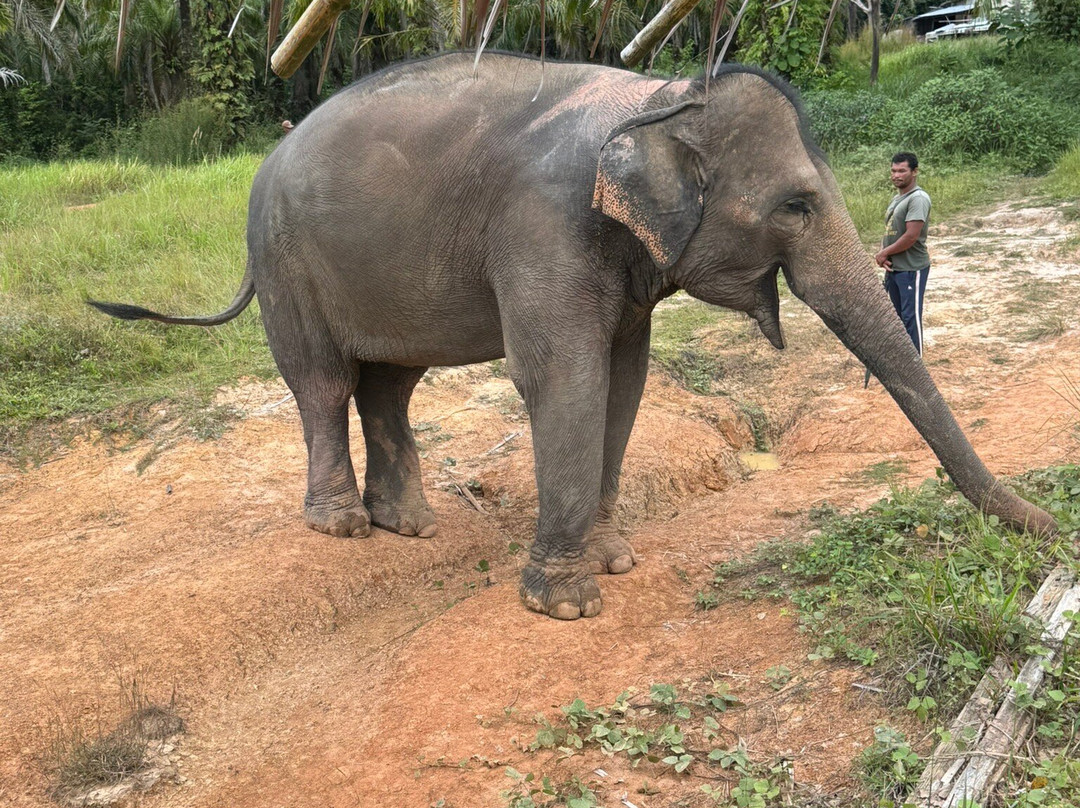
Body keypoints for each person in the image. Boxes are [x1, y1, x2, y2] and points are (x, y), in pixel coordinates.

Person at [875, 152, 931, 356]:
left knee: (911, 317)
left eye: (902, 171)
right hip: (896, 267)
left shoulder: (918, 199)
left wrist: (884, 253)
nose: (896, 175)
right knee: (897, 317)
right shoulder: (897, 198)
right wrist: (884, 253)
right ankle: (904, 362)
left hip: (911, 268)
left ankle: (917, 366)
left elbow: (911, 236)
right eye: (893, 171)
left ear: (914, 172)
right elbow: (891, 229)